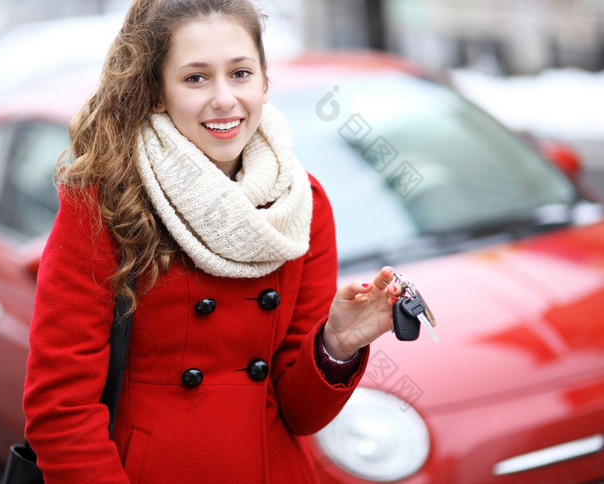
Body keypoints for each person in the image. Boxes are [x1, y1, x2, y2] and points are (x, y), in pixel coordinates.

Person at [22, 0, 403, 482]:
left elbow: (300, 413)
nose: (224, 98)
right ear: (156, 92)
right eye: (196, 78)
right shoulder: (105, 203)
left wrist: (336, 345)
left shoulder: (303, 205)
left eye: (240, 73)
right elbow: (61, 409)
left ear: (265, 81)